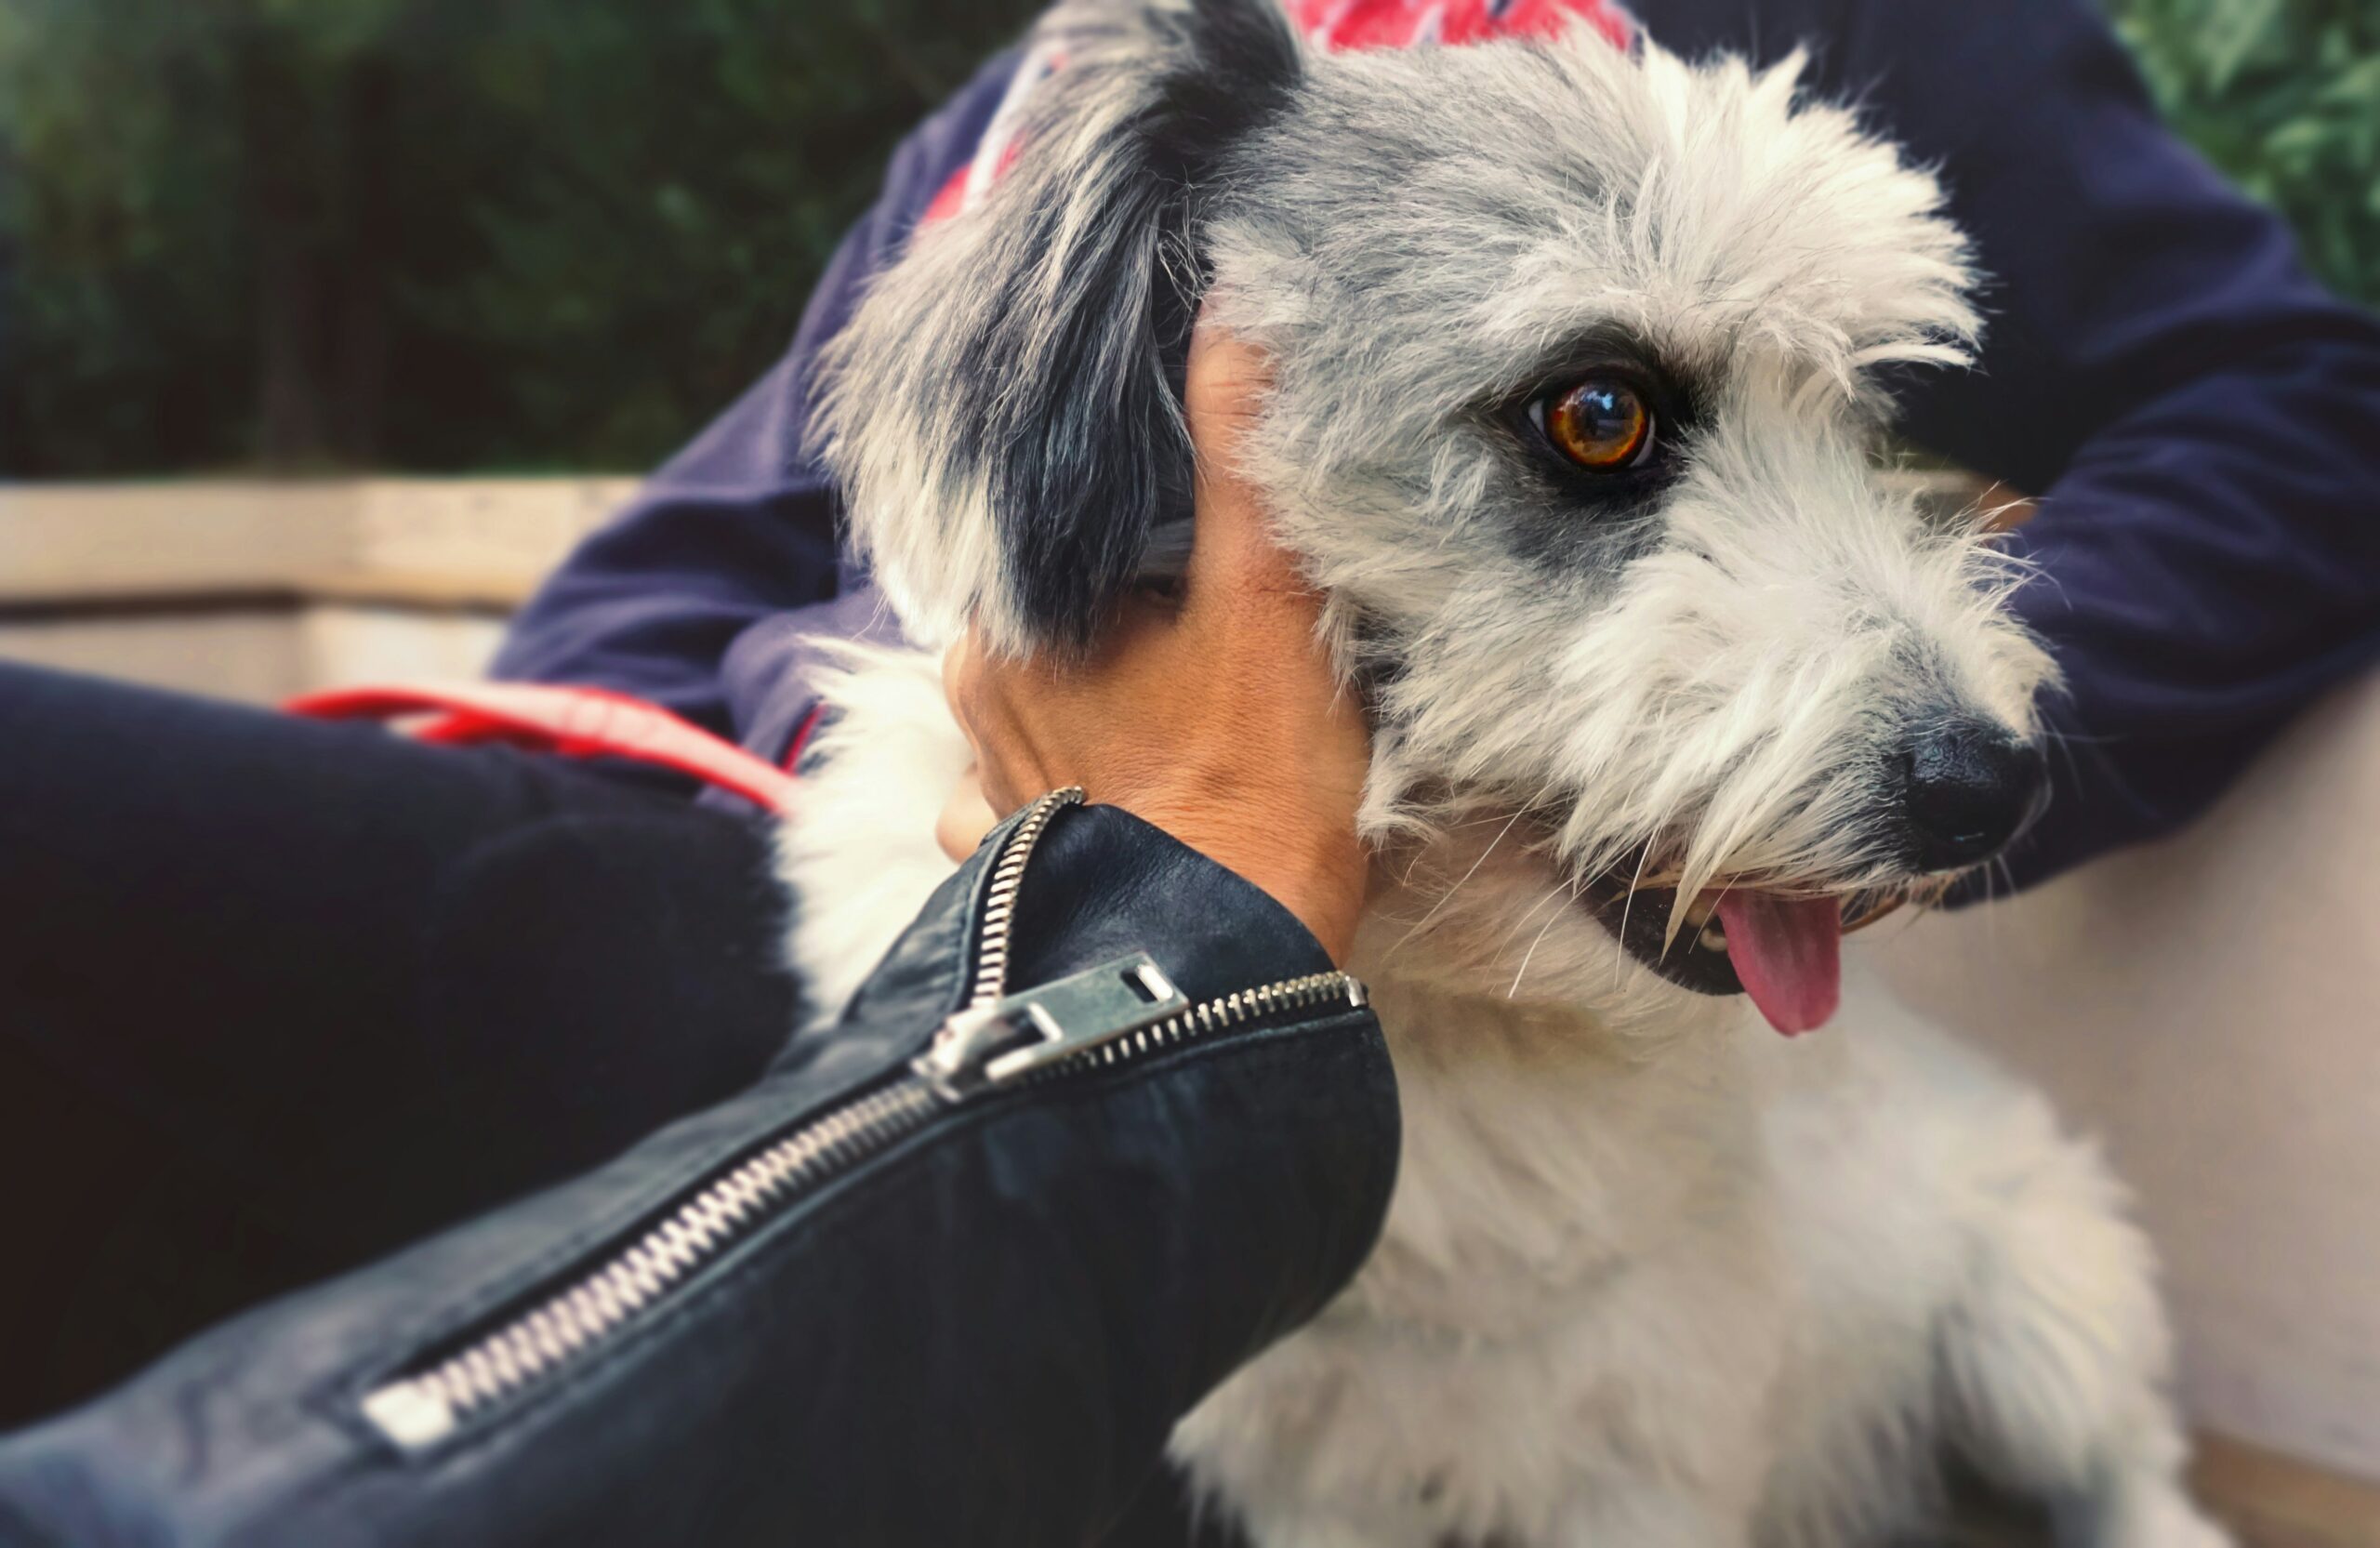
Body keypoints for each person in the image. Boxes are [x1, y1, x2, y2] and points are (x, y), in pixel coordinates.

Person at [1, 0, 2375, 1541]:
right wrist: (947, 734)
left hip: (1214, 1026)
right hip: (784, 865)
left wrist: (1807, 735)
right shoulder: (1084, 87)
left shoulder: (1843, 35)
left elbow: (2297, 402)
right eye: (1594, 415)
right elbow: (695, 549)